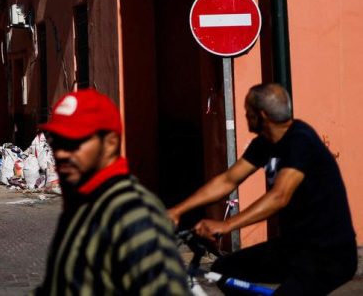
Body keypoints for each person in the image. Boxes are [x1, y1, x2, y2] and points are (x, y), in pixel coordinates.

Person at [167, 83, 357, 295]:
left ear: (262, 115)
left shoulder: (301, 140)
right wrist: (177, 210)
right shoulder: (265, 143)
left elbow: (279, 196)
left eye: (248, 111)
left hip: (328, 255)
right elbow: (228, 180)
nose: (245, 114)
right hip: (293, 247)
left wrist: (226, 225)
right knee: (226, 269)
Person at [34, 89, 190, 295]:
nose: (62, 153)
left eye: (75, 142)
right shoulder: (82, 203)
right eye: (58, 142)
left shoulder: (133, 214)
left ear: (110, 144)